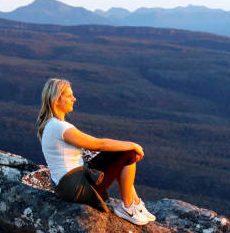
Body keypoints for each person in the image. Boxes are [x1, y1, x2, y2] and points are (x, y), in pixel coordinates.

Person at [36, 78, 155, 225]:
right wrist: (133, 144)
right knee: (128, 153)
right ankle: (128, 206)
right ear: (56, 100)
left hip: (68, 184)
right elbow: (99, 144)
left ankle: (135, 202)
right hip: (76, 187)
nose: (74, 99)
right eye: (69, 96)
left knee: (123, 154)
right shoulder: (60, 128)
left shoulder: (52, 125)